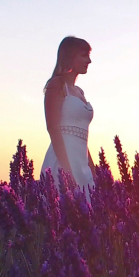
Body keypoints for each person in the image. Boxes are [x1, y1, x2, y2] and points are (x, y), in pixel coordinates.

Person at [41, 36, 96, 189]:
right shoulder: (57, 85)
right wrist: (66, 169)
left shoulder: (80, 92)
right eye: (84, 55)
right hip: (62, 161)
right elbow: (53, 128)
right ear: (70, 56)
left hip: (82, 164)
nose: (89, 61)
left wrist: (93, 168)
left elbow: (82, 136)